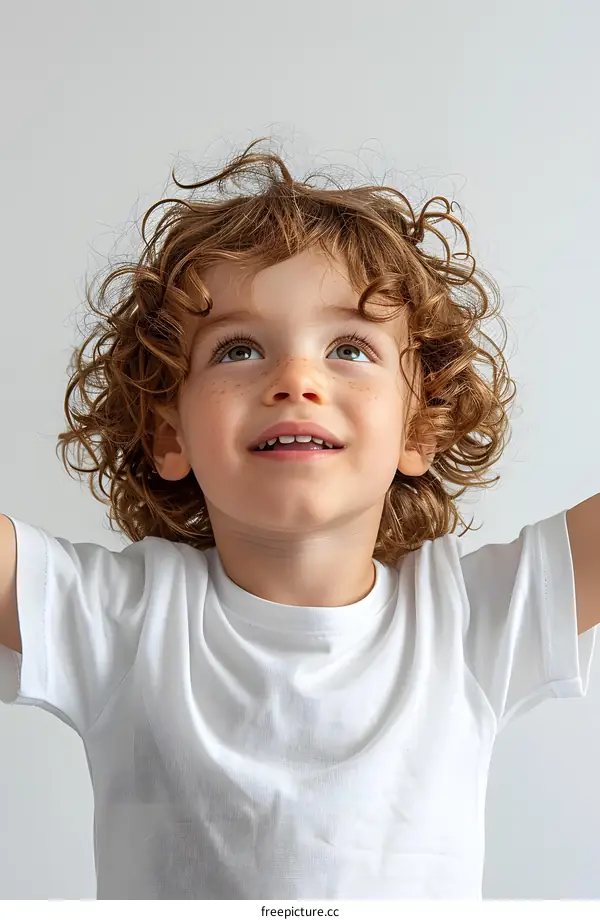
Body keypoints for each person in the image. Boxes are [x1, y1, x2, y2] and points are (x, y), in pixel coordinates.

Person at [0, 137, 596, 900]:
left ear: (421, 427)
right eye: (239, 349)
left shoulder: (471, 622)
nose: (296, 379)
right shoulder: (122, 621)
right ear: (170, 433)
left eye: (349, 346)